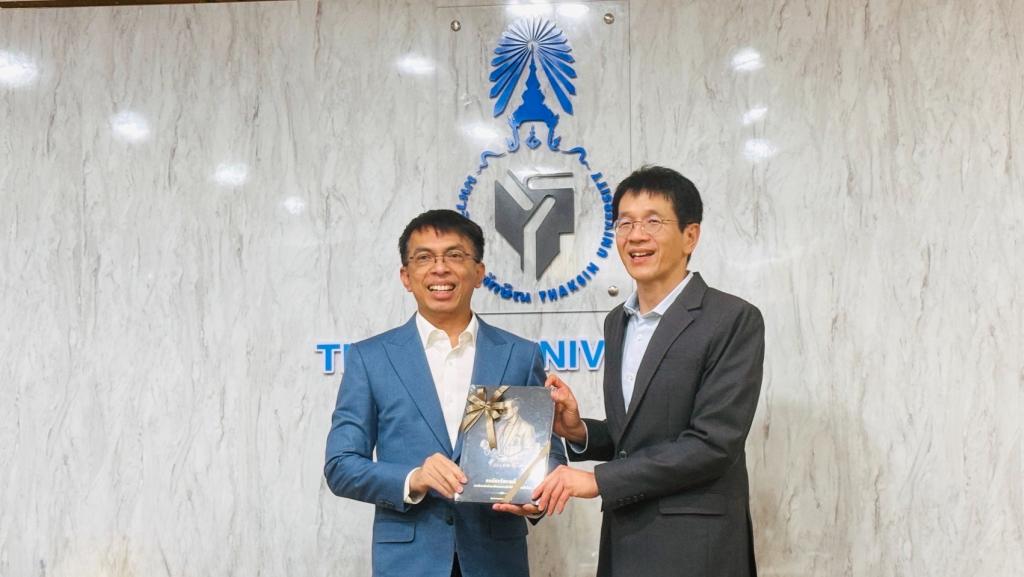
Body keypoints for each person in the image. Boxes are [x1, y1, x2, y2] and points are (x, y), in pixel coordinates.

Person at [527, 166, 765, 577]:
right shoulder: (617, 321)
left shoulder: (732, 318)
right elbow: (637, 437)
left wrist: (599, 481)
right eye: (625, 223)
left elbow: (713, 444)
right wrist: (579, 431)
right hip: (625, 538)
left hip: (696, 548)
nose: (636, 236)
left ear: (690, 236)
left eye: (653, 221)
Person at [324, 209, 566, 577]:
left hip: (496, 561)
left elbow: (549, 456)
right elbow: (340, 465)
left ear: (479, 273)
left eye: (455, 255)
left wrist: (537, 496)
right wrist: (414, 478)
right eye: (424, 258)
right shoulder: (371, 358)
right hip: (408, 564)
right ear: (406, 277)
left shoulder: (519, 355)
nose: (440, 269)